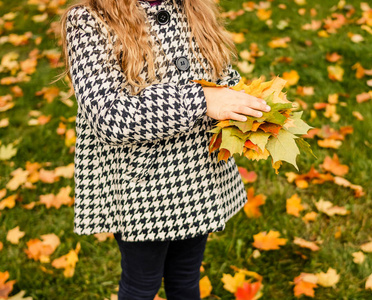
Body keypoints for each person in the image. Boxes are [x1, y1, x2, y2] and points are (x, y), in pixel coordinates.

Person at [59, 0, 271, 298]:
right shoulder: (89, 20)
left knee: (185, 277)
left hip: (199, 178)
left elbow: (220, 78)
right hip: (140, 189)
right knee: (141, 283)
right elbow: (108, 116)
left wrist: (247, 104)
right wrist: (201, 100)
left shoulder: (192, 8)